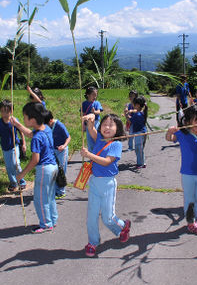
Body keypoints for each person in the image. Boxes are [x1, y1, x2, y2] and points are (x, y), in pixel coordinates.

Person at [80, 113, 131, 257]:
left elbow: (107, 161)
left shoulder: (116, 144)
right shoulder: (99, 139)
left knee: (108, 217)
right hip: (94, 181)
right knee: (92, 215)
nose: (107, 127)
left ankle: (122, 225)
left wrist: (89, 155)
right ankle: (92, 242)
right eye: (104, 124)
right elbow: (91, 129)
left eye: (111, 125)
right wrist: (90, 119)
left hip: (108, 183)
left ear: (118, 128)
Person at [165, 104, 197, 236]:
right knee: (189, 199)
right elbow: (169, 139)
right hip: (187, 173)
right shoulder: (182, 134)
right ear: (188, 121)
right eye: (196, 120)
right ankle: (191, 223)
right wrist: (170, 132)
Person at [13, 102, 58, 233]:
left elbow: (35, 160)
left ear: (32, 119)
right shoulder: (46, 129)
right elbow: (30, 134)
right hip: (53, 167)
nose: (23, 119)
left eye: (24, 117)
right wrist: (17, 125)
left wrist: (22, 174)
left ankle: (45, 224)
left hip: (44, 169)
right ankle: (52, 220)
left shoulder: (37, 138)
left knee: (40, 199)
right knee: (49, 196)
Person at [0, 99, 27, 192]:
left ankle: (22, 181)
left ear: (11, 111)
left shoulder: (14, 121)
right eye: (2, 111)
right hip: (5, 148)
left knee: (15, 164)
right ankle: (13, 183)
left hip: (14, 146)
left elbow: (21, 132)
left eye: (6, 111)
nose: (4, 113)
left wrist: (24, 144)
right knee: (8, 166)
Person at [45, 110, 71, 199]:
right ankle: (54, 190)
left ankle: (61, 191)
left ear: (51, 120)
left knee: (61, 170)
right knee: (53, 170)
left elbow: (68, 137)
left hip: (62, 151)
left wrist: (64, 146)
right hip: (53, 150)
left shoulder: (59, 125)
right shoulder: (47, 127)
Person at [127, 95, 148, 168]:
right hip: (141, 132)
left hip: (139, 133)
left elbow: (130, 121)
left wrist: (126, 115)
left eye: (134, 104)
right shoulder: (141, 113)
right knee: (140, 148)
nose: (133, 106)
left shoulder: (138, 114)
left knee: (138, 148)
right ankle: (143, 162)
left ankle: (140, 164)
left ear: (138, 105)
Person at [81, 86, 103, 152]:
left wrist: (94, 112)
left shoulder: (97, 103)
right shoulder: (84, 104)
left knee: (97, 137)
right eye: (93, 95)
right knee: (90, 139)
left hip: (96, 122)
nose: (95, 97)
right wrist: (83, 125)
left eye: (96, 95)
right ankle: (91, 153)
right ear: (88, 95)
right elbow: (82, 114)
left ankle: (99, 152)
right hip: (88, 123)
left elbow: (99, 111)